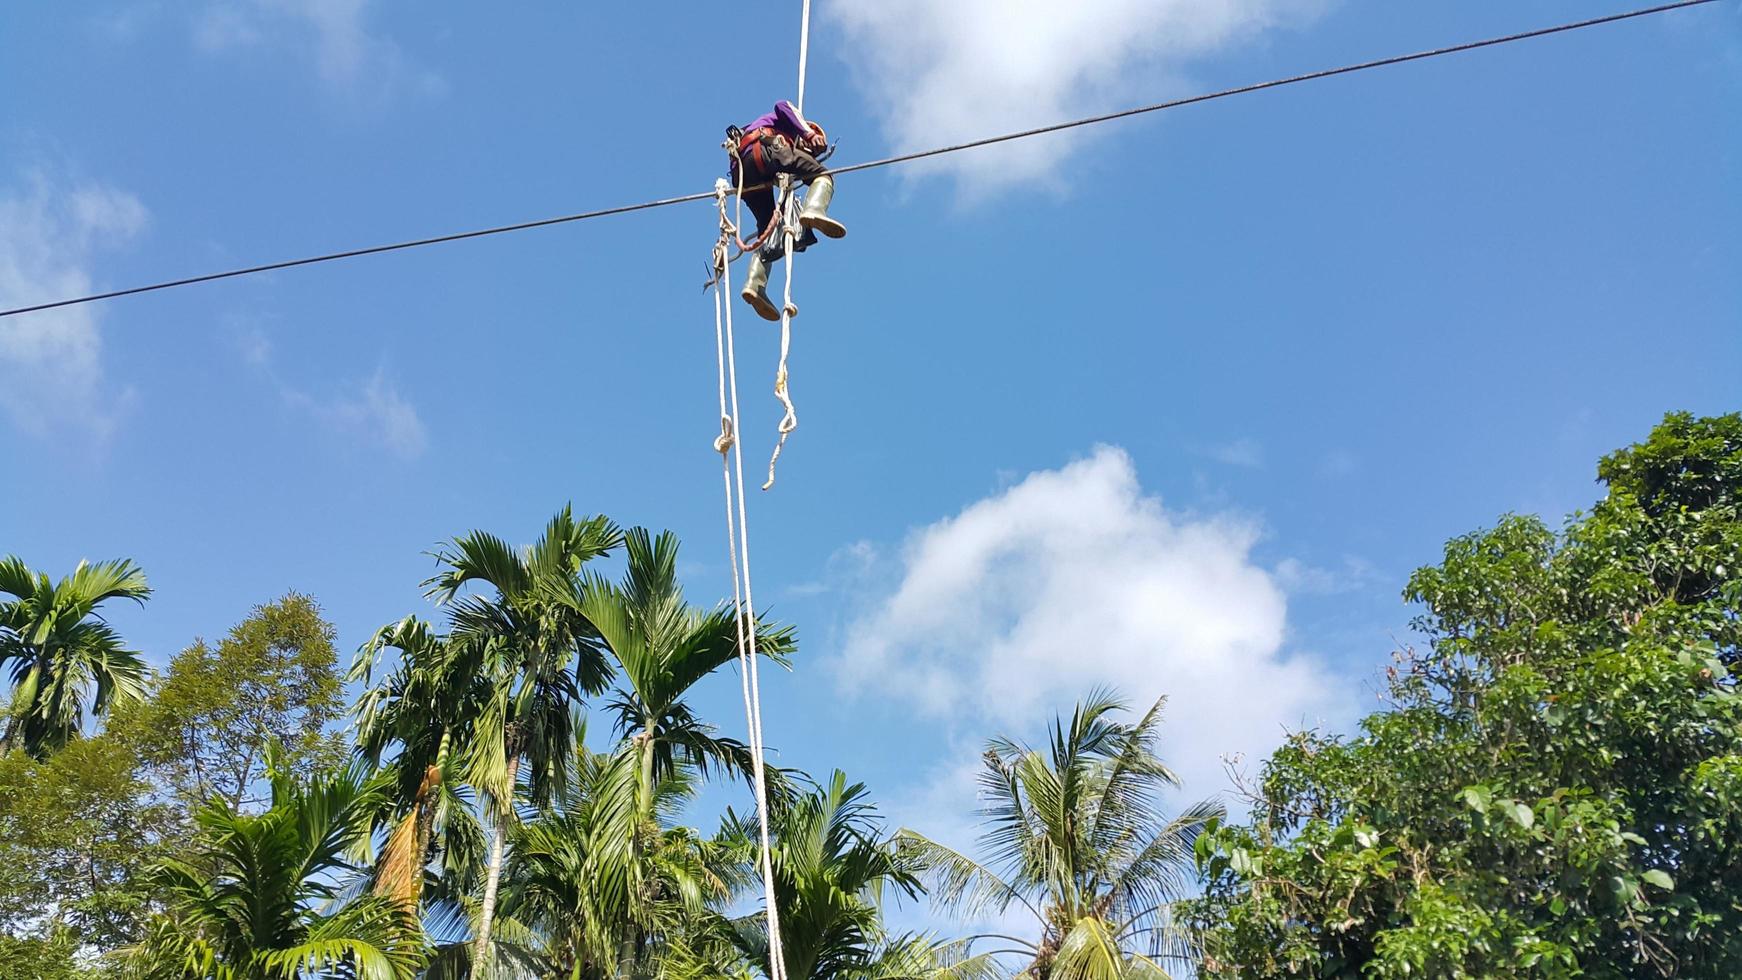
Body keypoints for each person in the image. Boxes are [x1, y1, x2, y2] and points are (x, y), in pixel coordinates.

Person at [728, 100, 846, 321]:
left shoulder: (748, 131)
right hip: (768, 148)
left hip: (743, 173)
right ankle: (814, 210)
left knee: (769, 231)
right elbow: (782, 105)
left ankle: (755, 285)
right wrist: (808, 133)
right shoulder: (786, 124)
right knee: (822, 176)